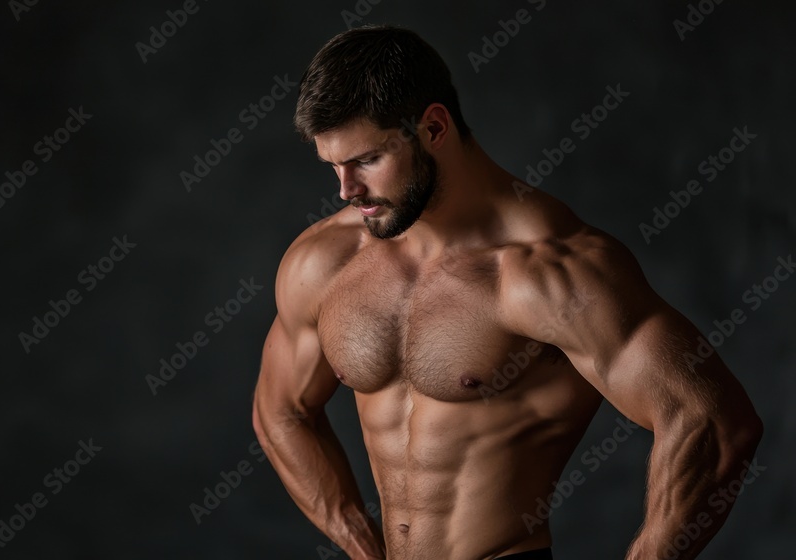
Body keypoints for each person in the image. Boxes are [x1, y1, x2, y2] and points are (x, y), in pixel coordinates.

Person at [250, 25, 762, 560]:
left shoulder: (549, 270)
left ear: (434, 127)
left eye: (366, 160)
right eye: (333, 166)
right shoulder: (326, 261)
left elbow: (714, 422)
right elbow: (281, 411)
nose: (346, 189)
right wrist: (363, 548)